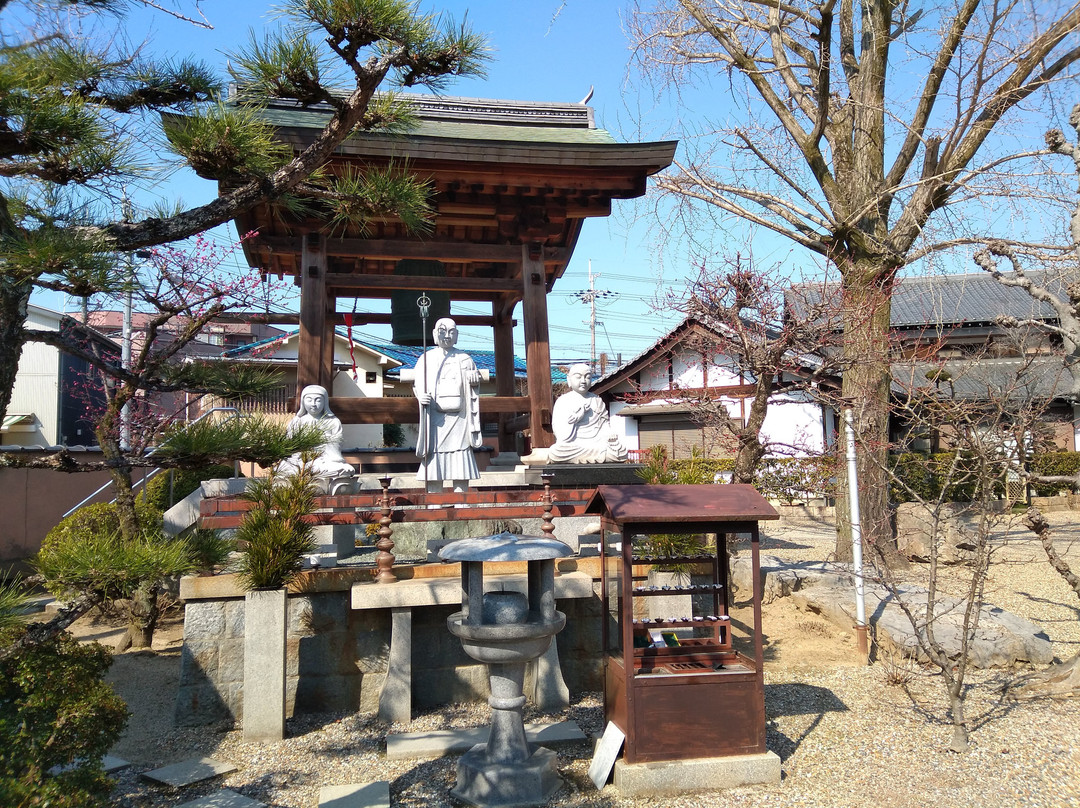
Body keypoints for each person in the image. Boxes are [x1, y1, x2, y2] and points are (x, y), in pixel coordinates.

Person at [413, 317, 483, 493]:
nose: (447, 335)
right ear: (435, 334)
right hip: (436, 419)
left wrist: (474, 381)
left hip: (460, 419)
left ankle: (462, 503)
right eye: (443, 331)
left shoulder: (465, 359)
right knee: (434, 464)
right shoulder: (426, 358)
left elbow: (474, 382)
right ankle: (434, 505)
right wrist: (421, 396)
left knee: (461, 463)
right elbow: (418, 383)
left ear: (457, 335)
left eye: (452, 332)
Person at [544, 363, 627, 464]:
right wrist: (576, 418)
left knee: (621, 452)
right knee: (555, 452)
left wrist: (610, 435)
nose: (583, 381)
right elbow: (561, 435)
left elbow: (604, 425)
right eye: (578, 377)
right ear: (569, 379)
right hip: (573, 446)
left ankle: (594, 457)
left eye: (587, 377)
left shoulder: (597, 400)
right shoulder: (563, 401)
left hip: (596, 444)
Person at [277, 384, 356, 482]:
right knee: (283, 468)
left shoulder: (332, 421)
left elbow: (336, 444)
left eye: (318, 400)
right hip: (300, 460)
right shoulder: (296, 421)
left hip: (324, 460)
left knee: (341, 470)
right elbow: (289, 445)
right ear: (303, 401)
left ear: (325, 402)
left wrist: (324, 438)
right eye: (309, 400)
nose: (313, 404)